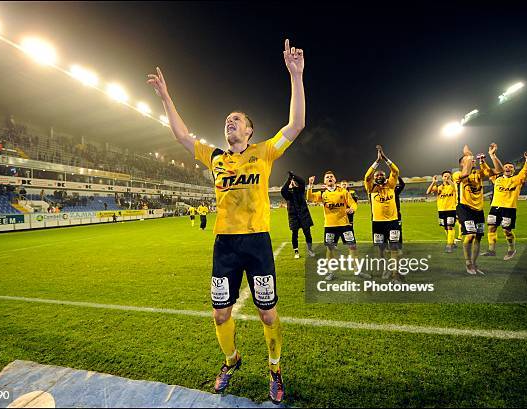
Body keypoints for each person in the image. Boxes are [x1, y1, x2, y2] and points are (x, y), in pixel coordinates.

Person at [146, 38, 305, 403]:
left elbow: (296, 124)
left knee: (268, 316)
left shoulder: (263, 153)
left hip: (257, 241)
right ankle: (231, 360)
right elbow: (182, 135)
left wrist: (296, 76)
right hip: (225, 246)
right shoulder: (215, 157)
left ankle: (275, 369)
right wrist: (166, 98)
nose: (229, 123)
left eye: (236, 120)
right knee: (220, 315)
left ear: (249, 130)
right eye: (226, 121)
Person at [307, 171, 369, 280]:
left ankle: (357, 270)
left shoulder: (343, 191)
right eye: (327, 177)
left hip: (345, 224)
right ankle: (331, 272)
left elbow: (353, 203)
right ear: (325, 181)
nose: (330, 178)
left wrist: (352, 209)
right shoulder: (322, 194)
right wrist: (310, 185)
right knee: (330, 249)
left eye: (331, 176)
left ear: (335, 180)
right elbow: (310, 198)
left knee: (353, 247)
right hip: (330, 226)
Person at [452, 144, 502, 275]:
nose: (472, 160)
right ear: (461, 163)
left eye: (472, 159)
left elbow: (499, 171)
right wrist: (469, 155)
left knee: (478, 238)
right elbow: (466, 172)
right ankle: (468, 263)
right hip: (464, 208)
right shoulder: (457, 174)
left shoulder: (479, 173)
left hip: (478, 210)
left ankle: (474, 264)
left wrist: (492, 155)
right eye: (467, 160)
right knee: (470, 235)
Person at [481, 152, 527, 260]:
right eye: (506, 167)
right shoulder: (497, 179)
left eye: (510, 167)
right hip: (495, 207)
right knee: (491, 228)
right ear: (502, 169)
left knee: (507, 231)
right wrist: (482, 162)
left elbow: (526, 171)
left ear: (514, 170)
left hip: (509, 208)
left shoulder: (517, 179)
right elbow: (488, 171)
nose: (508, 168)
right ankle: (491, 250)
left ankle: (511, 249)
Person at [364, 145, 401, 282]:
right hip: (377, 223)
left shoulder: (391, 185)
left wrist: (384, 158)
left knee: (394, 248)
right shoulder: (371, 188)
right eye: (377, 175)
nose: (379, 176)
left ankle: (395, 274)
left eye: (381, 174)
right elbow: (367, 176)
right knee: (381, 249)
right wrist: (376, 161)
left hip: (392, 222)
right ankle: (386, 268)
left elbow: (396, 171)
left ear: (385, 176)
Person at [280, 171, 314, 259]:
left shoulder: (300, 191)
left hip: (304, 215)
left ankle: (310, 250)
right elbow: (283, 190)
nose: (293, 183)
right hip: (293, 217)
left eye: (294, 182)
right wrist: (289, 179)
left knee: (308, 234)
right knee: (294, 234)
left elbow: (302, 182)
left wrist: (294, 176)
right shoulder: (287, 195)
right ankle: (296, 251)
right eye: (291, 183)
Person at [426, 171, 457, 252]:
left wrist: (449, 180)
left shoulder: (453, 186)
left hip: (451, 209)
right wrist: (433, 182)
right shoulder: (439, 187)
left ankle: (449, 245)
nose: (446, 177)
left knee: (450, 226)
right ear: (442, 177)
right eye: (445, 176)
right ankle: (452, 242)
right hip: (441, 210)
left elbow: (455, 188)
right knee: (445, 227)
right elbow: (428, 192)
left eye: (448, 176)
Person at [394, 175, 405, 253]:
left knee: (398, 231)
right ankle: (388, 247)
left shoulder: (396, 190)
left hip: (396, 214)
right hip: (386, 215)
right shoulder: (382, 190)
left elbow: (402, 184)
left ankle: (400, 248)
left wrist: (397, 176)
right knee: (387, 231)